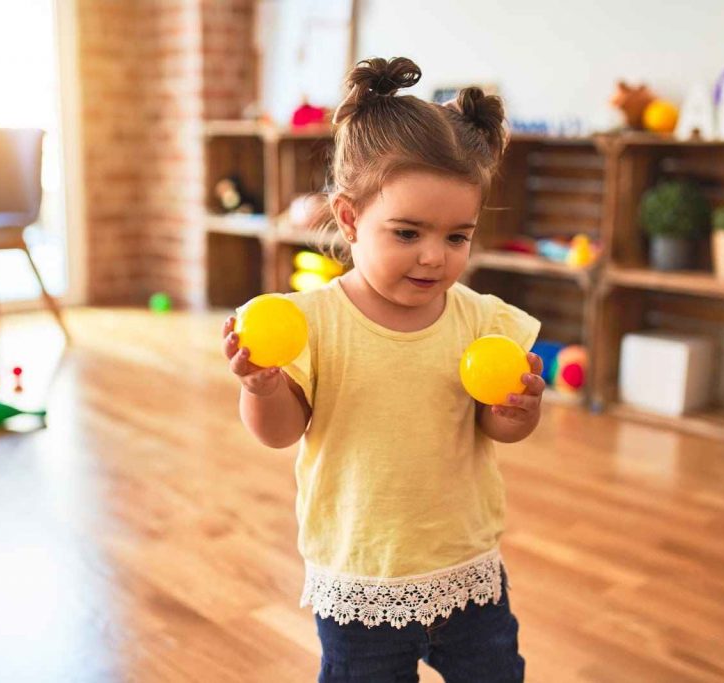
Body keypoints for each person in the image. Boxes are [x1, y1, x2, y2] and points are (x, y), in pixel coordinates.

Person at [222, 56, 544, 682]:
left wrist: (517, 412)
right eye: (407, 233)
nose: (434, 256)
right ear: (349, 219)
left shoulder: (481, 319)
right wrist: (262, 386)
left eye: (457, 237)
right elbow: (280, 432)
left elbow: (496, 428)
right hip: (361, 575)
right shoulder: (311, 323)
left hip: (464, 565)